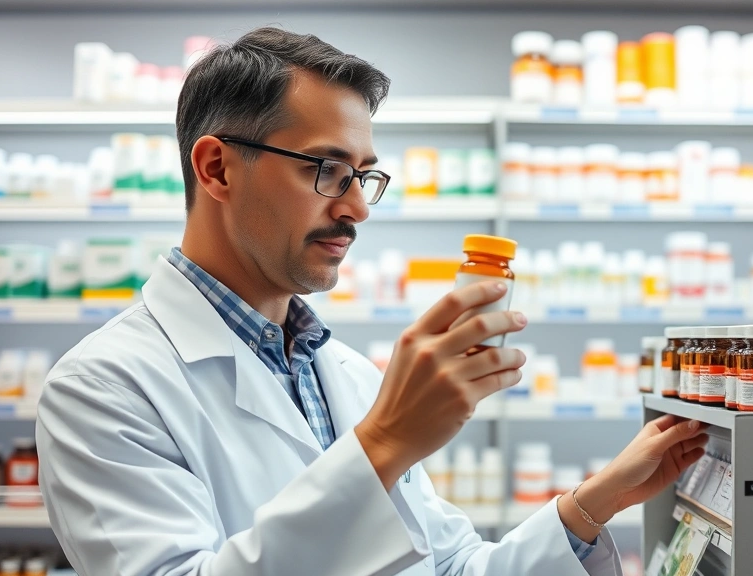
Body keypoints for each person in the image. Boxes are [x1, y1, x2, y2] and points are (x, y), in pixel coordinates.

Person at [36, 26, 709, 576]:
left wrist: (593, 505)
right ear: (216, 169)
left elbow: (449, 566)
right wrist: (385, 442)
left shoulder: (348, 376)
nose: (357, 206)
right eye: (326, 170)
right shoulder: (103, 389)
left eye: (365, 175)